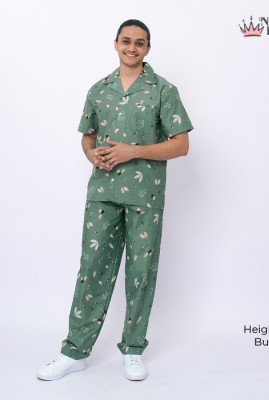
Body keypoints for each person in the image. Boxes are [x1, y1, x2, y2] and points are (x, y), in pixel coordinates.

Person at [37, 19, 193, 381]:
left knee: (141, 273)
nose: (132, 47)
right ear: (116, 44)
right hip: (103, 193)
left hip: (145, 195)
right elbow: (87, 136)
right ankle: (74, 352)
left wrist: (132, 151)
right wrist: (91, 153)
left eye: (139, 42)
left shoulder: (163, 90)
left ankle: (133, 350)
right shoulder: (98, 90)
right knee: (91, 267)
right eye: (126, 41)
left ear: (147, 48)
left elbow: (182, 145)